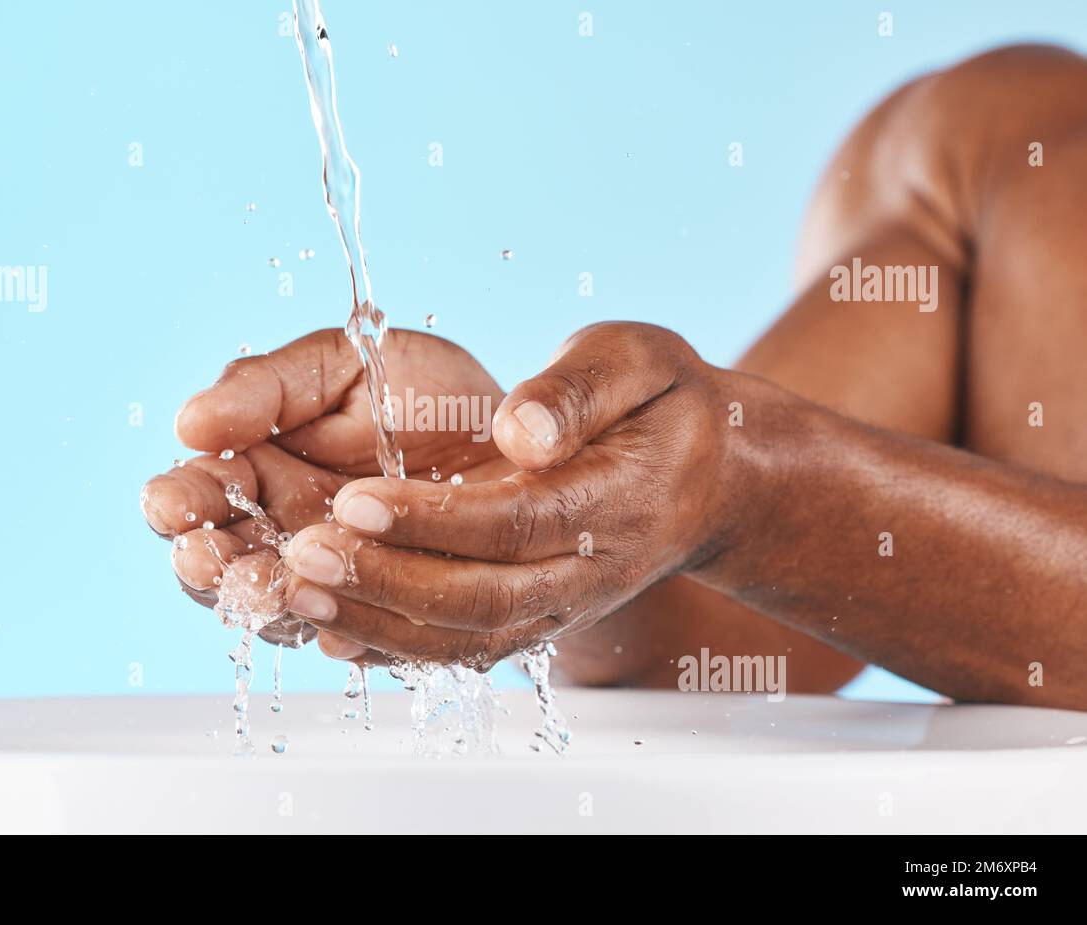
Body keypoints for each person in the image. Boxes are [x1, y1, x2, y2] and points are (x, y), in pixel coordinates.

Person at [142, 45, 1087, 710]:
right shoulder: (989, 151)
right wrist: (548, 513)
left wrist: (733, 482)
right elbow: (733, 633)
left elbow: (751, 488)